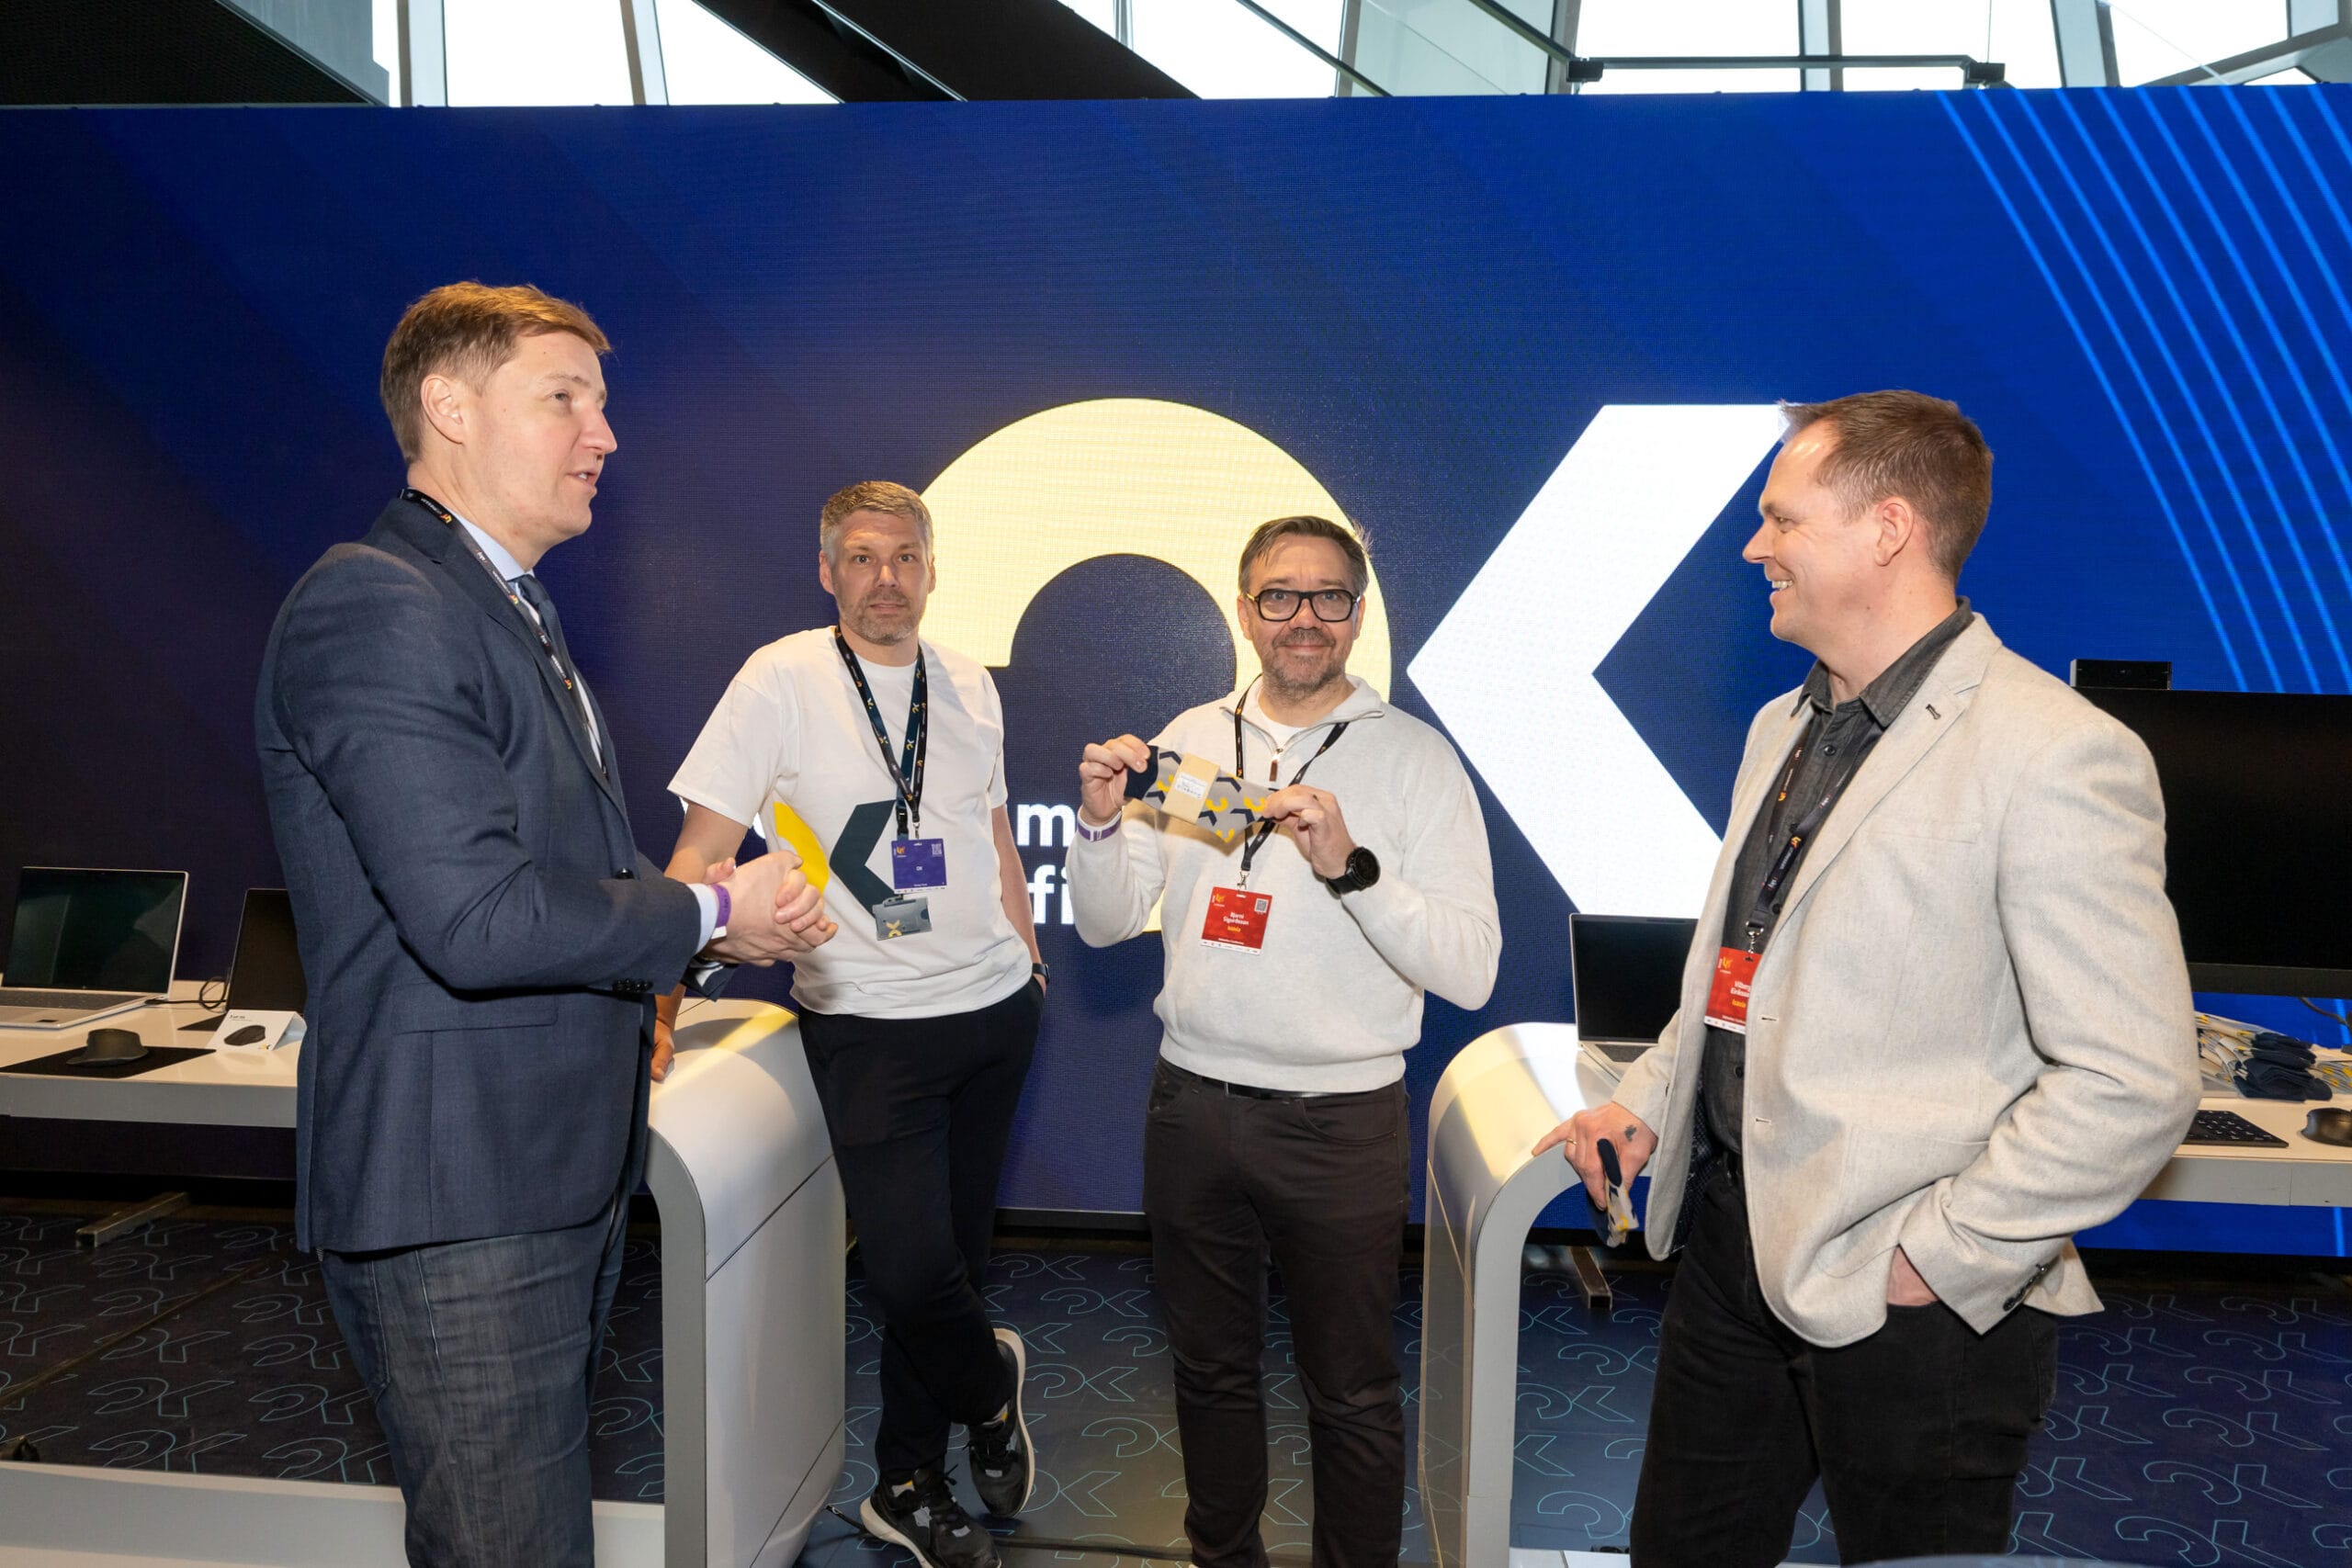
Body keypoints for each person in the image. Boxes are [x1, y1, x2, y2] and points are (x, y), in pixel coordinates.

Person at [1534, 390, 2199, 1566]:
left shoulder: (2055, 752)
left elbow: (2133, 1079)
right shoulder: (1778, 727)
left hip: (1916, 1310)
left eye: (1782, 519)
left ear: (1889, 528)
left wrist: (1937, 1256)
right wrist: (1645, 1101)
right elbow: (1738, 975)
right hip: (1732, 1254)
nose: (1754, 547)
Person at [255, 282, 826, 1568]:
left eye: (603, 403)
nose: (603, 433)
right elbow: (476, 917)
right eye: (564, 397)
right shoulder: (379, 602)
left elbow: (551, 875)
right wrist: (709, 903)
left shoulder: (500, 603)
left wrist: (710, 936)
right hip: (460, 1192)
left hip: (537, 1176)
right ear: (450, 408)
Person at [1068, 515, 1500, 1568]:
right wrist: (1099, 824)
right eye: (1279, 595)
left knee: (1350, 1392)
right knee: (1209, 1372)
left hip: (1339, 1123)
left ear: (1358, 612)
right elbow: (1105, 922)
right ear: (1243, 608)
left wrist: (1350, 866)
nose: (1303, 619)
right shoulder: (1190, 739)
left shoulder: (1414, 760)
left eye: (1327, 597)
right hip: (1192, 1106)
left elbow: (1472, 969)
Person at [659, 480, 1046, 1568]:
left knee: (955, 1266)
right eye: (863, 558)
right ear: (826, 572)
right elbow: (700, 854)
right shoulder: (778, 678)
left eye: (906, 557)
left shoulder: (967, 682)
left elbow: (993, 837)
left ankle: (907, 1486)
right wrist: (662, 990)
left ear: (932, 569)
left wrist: (1031, 962)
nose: (887, 579)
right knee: (913, 1275)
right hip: (869, 1026)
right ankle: (991, 1387)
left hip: (995, 1012)